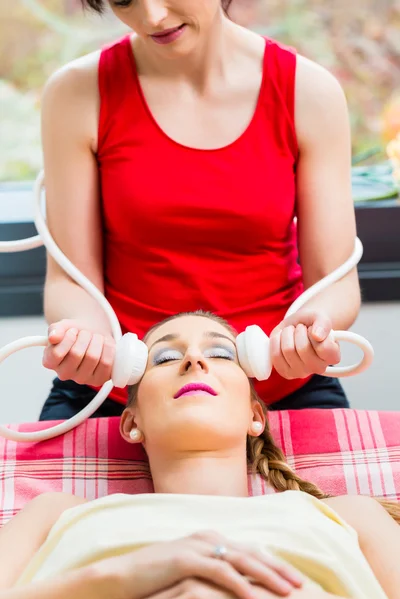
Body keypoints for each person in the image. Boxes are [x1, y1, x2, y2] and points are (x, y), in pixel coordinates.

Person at [39, 0, 360, 422]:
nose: (151, 17)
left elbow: (335, 280)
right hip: (122, 392)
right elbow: (71, 278)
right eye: (123, 0)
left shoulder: (309, 91)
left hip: (278, 386)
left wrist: (312, 327)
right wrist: (86, 334)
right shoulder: (75, 93)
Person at [2, 312, 399, 599]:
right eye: (164, 358)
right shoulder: (54, 514)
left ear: (255, 416)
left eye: (222, 354)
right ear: (130, 423)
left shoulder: (352, 516)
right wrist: (121, 577)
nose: (195, 361)